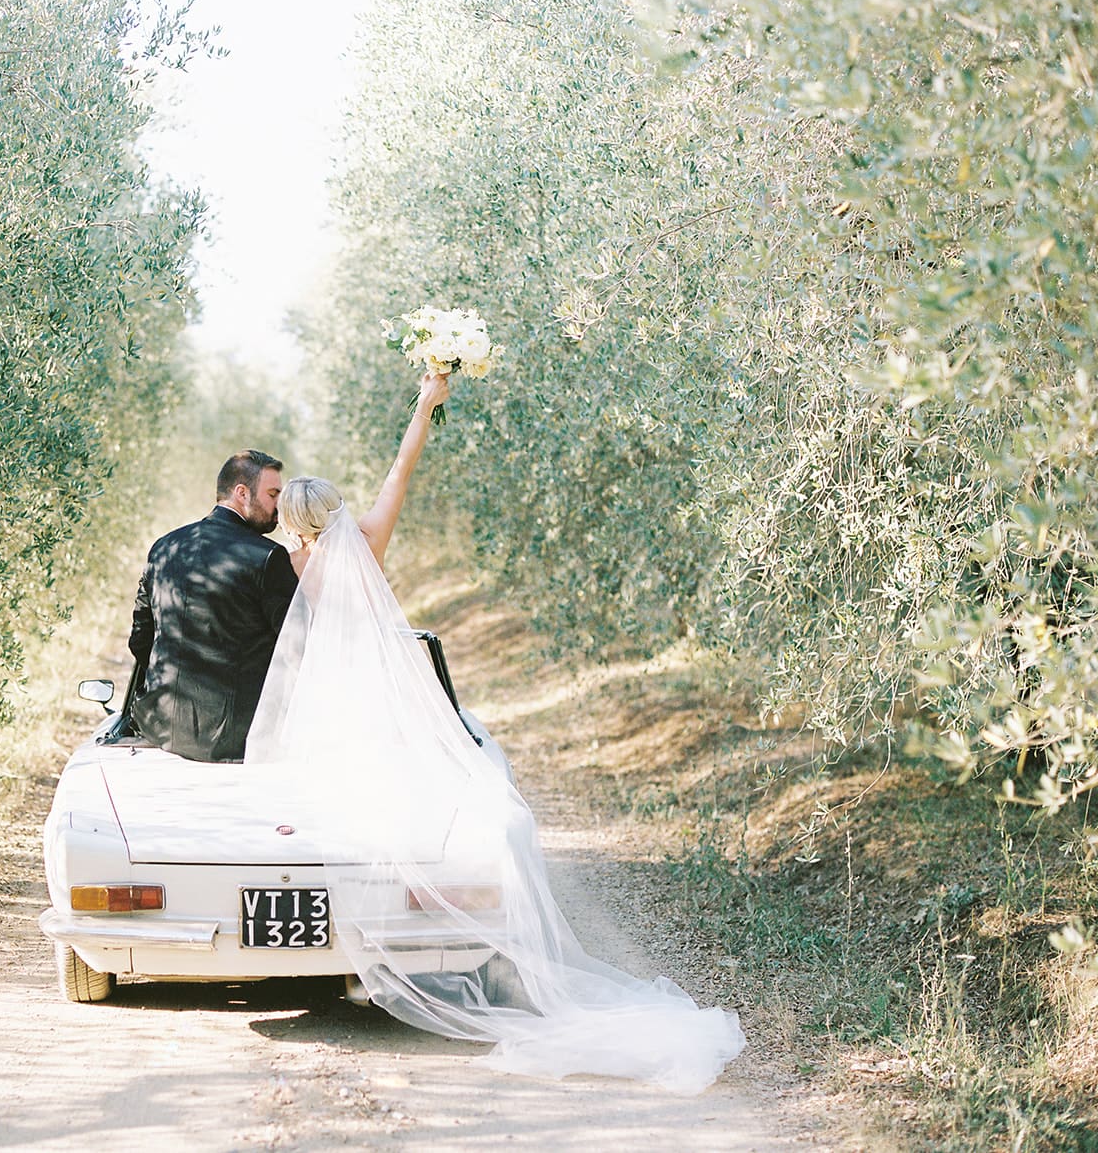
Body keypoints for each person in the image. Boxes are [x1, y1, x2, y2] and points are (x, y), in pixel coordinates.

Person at [244, 372, 747, 1095]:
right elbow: (401, 467)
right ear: (340, 514)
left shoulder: (288, 563)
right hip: (382, 703)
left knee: (335, 812)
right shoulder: (369, 542)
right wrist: (425, 400)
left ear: (294, 523)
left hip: (326, 708)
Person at [128, 449, 300, 763]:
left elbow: (141, 640)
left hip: (158, 728)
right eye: (274, 494)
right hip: (235, 740)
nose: (280, 505)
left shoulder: (164, 546)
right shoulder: (268, 557)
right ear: (242, 493)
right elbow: (298, 650)